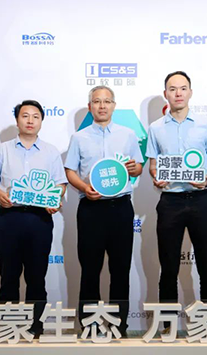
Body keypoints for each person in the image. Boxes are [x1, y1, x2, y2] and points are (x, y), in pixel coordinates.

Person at [0, 99, 67, 338]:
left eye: (35, 116)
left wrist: (54, 199)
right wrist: (0, 196)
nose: (30, 120)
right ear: (17, 120)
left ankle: (35, 327)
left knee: (36, 277)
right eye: (25, 116)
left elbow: (60, 183)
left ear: (41, 121)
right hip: (9, 218)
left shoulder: (51, 151)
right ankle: (9, 328)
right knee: (8, 275)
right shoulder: (3, 150)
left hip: (39, 219)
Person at [65, 86, 143, 336]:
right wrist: (84, 188)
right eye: (97, 101)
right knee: (90, 270)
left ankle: (119, 325)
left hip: (120, 208)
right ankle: (89, 325)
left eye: (107, 101)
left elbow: (138, 167)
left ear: (114, 106)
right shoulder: (79, 137)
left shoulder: (128, 134)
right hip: (91, 209)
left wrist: (135, 168)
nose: (102, 106)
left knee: (120, 270)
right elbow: (70, 171)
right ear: (90, 107)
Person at [146, 71, 207, 312]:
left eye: (182, 88)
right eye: (172, 89)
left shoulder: (206, 125)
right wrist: (156, 178)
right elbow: (153, 166)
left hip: (201, 200)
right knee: (168, 266)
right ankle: (166, 322)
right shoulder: (155, 128)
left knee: (206, 264)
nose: (178, 93)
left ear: (190, 92)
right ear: (165, 94)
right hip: (170, 202)